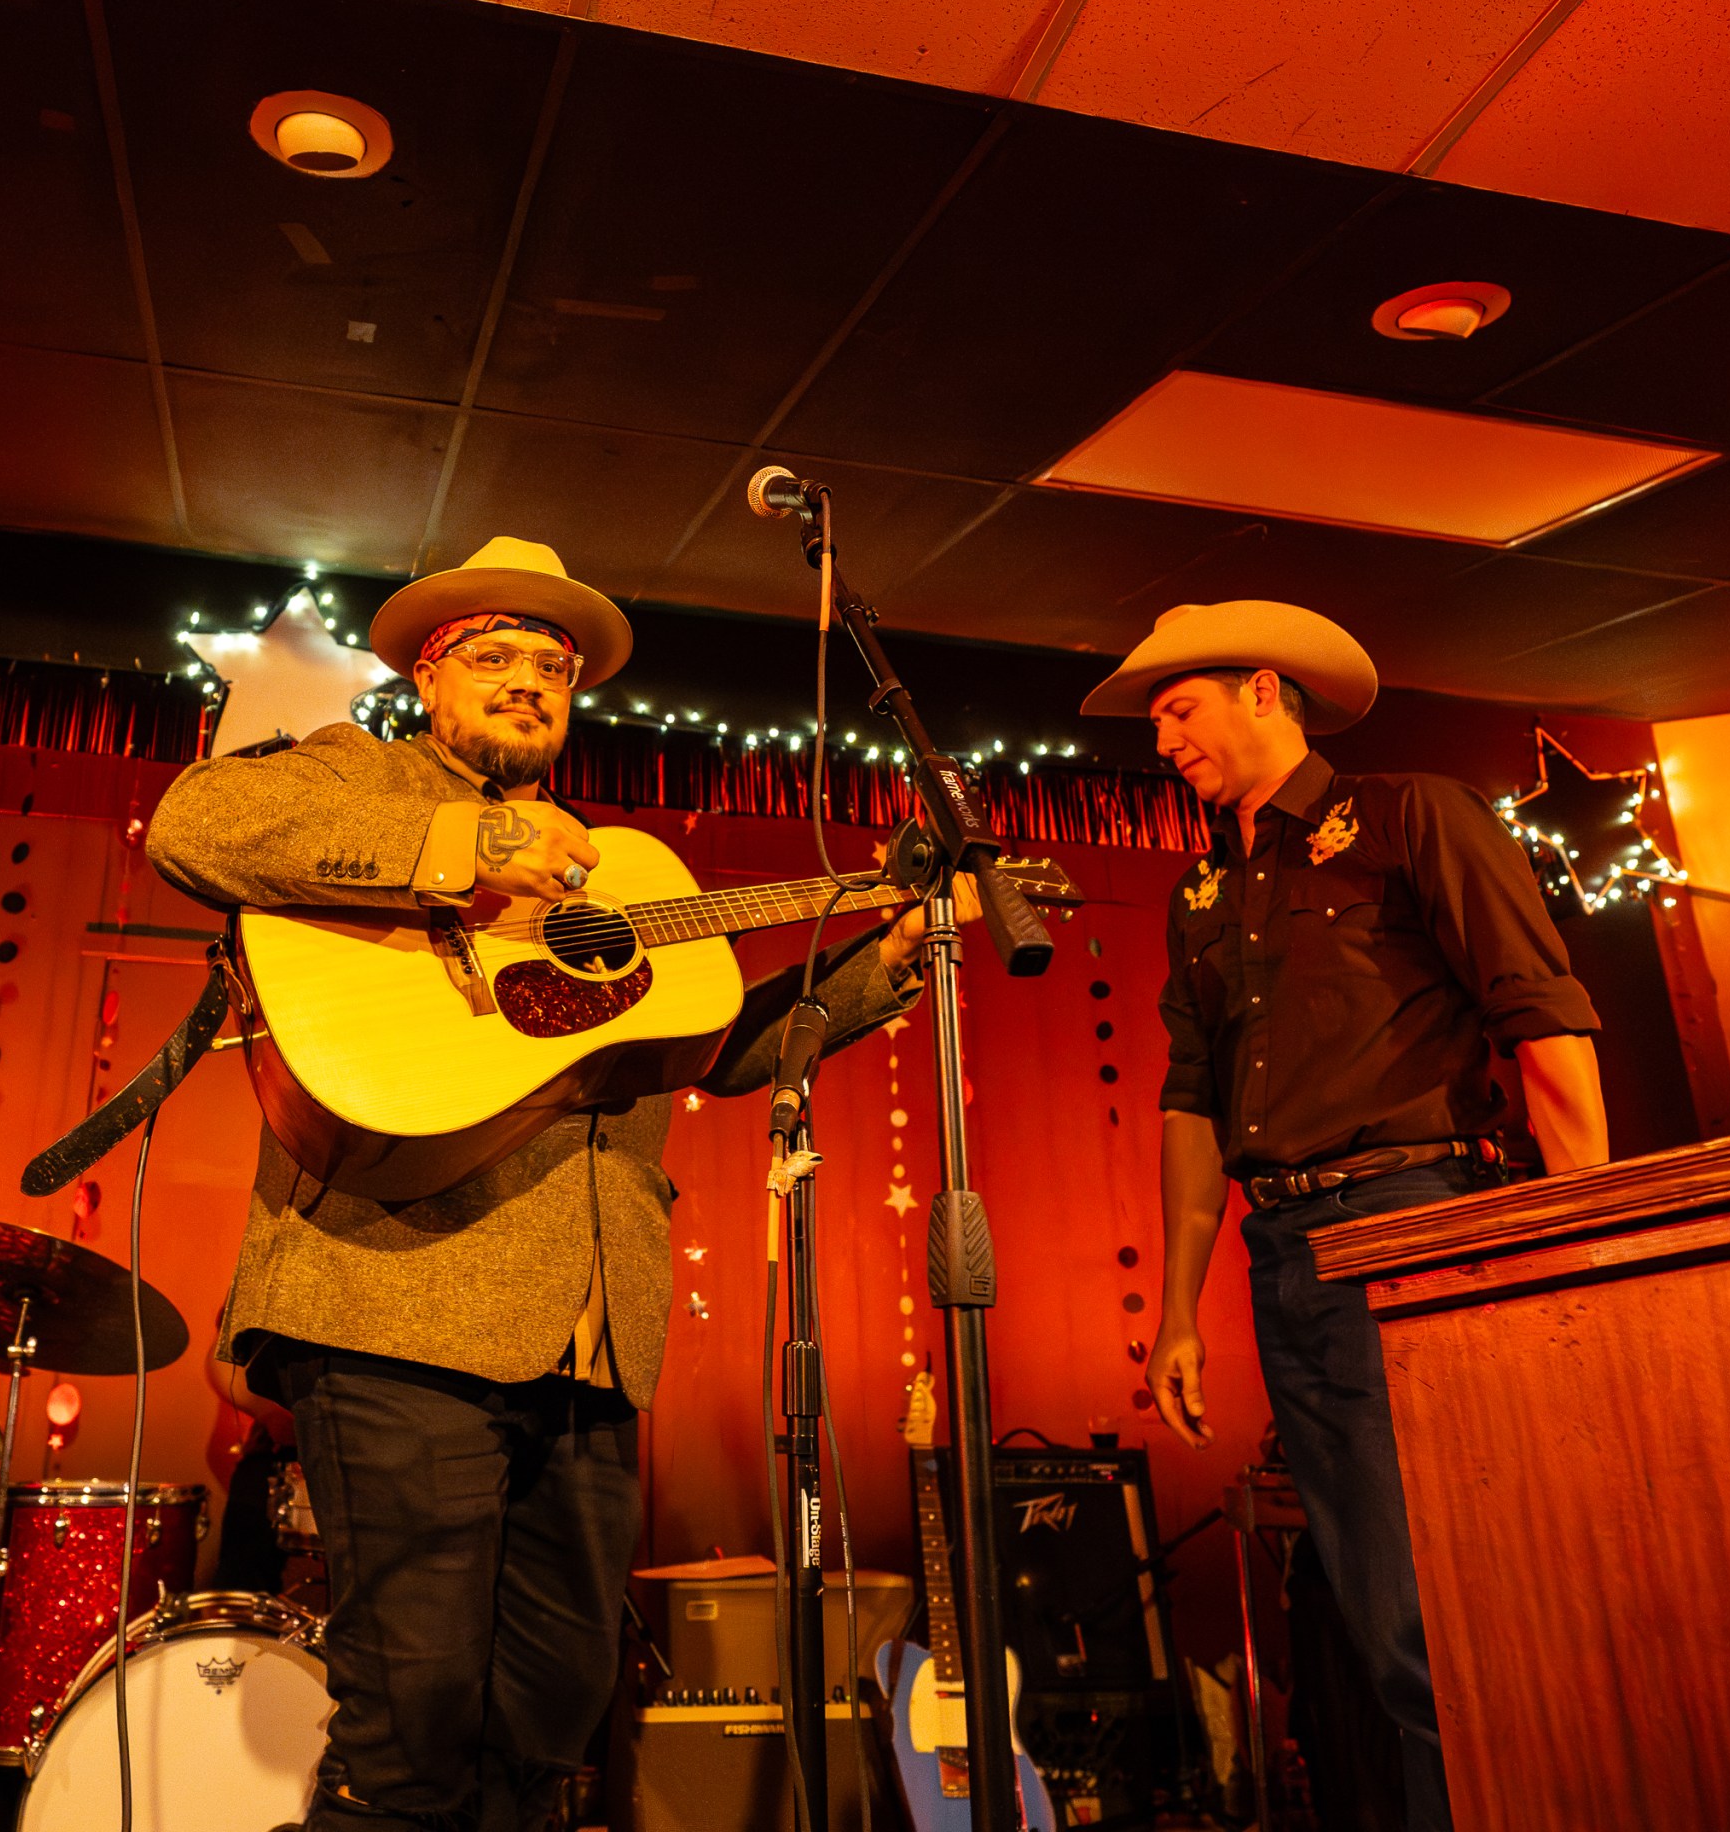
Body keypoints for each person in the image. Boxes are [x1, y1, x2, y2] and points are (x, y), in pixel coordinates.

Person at [146, 537, 960, 1832]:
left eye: (555, 666)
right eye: (496, 655)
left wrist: (894, 953)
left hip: (587, 1341)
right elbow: (197, 823)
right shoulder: (366, 774)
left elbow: (726, 1047)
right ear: (428, 673)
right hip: (396, 1302)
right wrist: (457, 848)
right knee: (407, 1735)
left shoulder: (615, 870)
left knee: (548, 1721)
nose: (530, 681)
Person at [1084, 602, 1607, 1832]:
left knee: (1445, 1615)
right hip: (1290, 1256)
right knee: (1380, 1613)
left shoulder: (1414, 815)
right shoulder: (1202, 889)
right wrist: (1176, 1314)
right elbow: (1192, 1105)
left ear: (1266, 691)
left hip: (1423, 1218)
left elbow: (1542, 1013)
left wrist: (1593, 1242)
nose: (1162, 741)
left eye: (1179, 709)